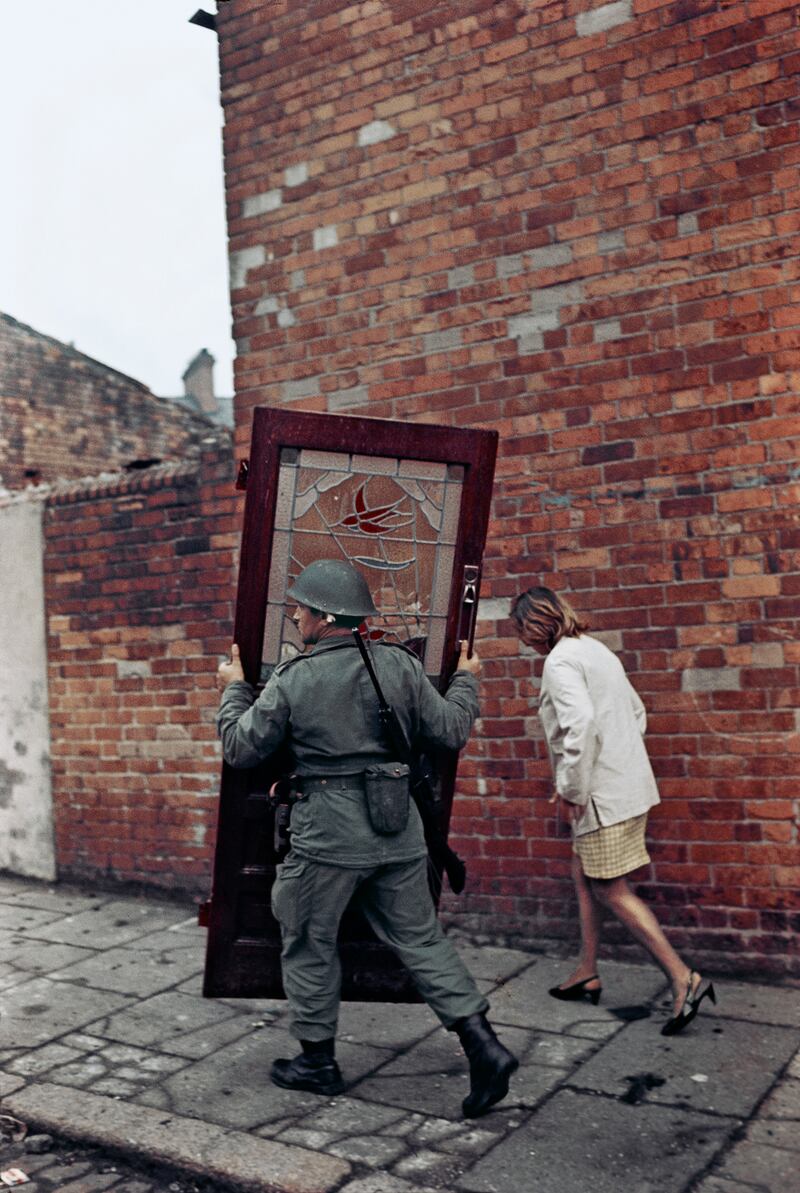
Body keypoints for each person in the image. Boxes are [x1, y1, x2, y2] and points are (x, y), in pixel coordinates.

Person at [216, 558, 517, 1117]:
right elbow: (450, 729)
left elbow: (240, 747)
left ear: (325, 617)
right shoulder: (400, 666)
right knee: (422, 942)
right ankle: (484, 1046)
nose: (297, 615)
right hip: (397, 828)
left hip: (326, 836)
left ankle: (316, 1063)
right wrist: (468, 679)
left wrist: (233, 690)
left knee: (309, 940)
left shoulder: (295, 678)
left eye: (301, 608)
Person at [511, 585, 716, 1036]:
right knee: (582, 870)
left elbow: (580, 723)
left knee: (611, 887)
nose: (523, 641)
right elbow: (635, 713)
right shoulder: (595, 650)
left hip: (602, 797)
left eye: (521, 630)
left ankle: (684, 979)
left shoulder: (561, 660)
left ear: (534, 625)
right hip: (625, 787)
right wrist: (611, 766)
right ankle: (587, 970)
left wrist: (573, 787)